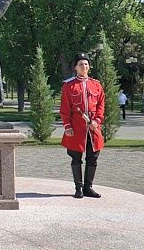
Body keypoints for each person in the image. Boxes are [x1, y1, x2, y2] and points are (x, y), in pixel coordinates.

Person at [60, 53, 105, 199]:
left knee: (93, 157)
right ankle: (78, 188)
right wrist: (67, 126)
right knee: (76, 157)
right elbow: (65, 108)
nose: (84, 67)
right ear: (75, 67)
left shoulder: (96, 85)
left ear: (89, 67)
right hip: (76, 128)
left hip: (92, 128)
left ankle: (88, 187)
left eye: (86, 64)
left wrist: (97, 121)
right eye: (81, 64)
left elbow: (101, 105)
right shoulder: (69, 86)